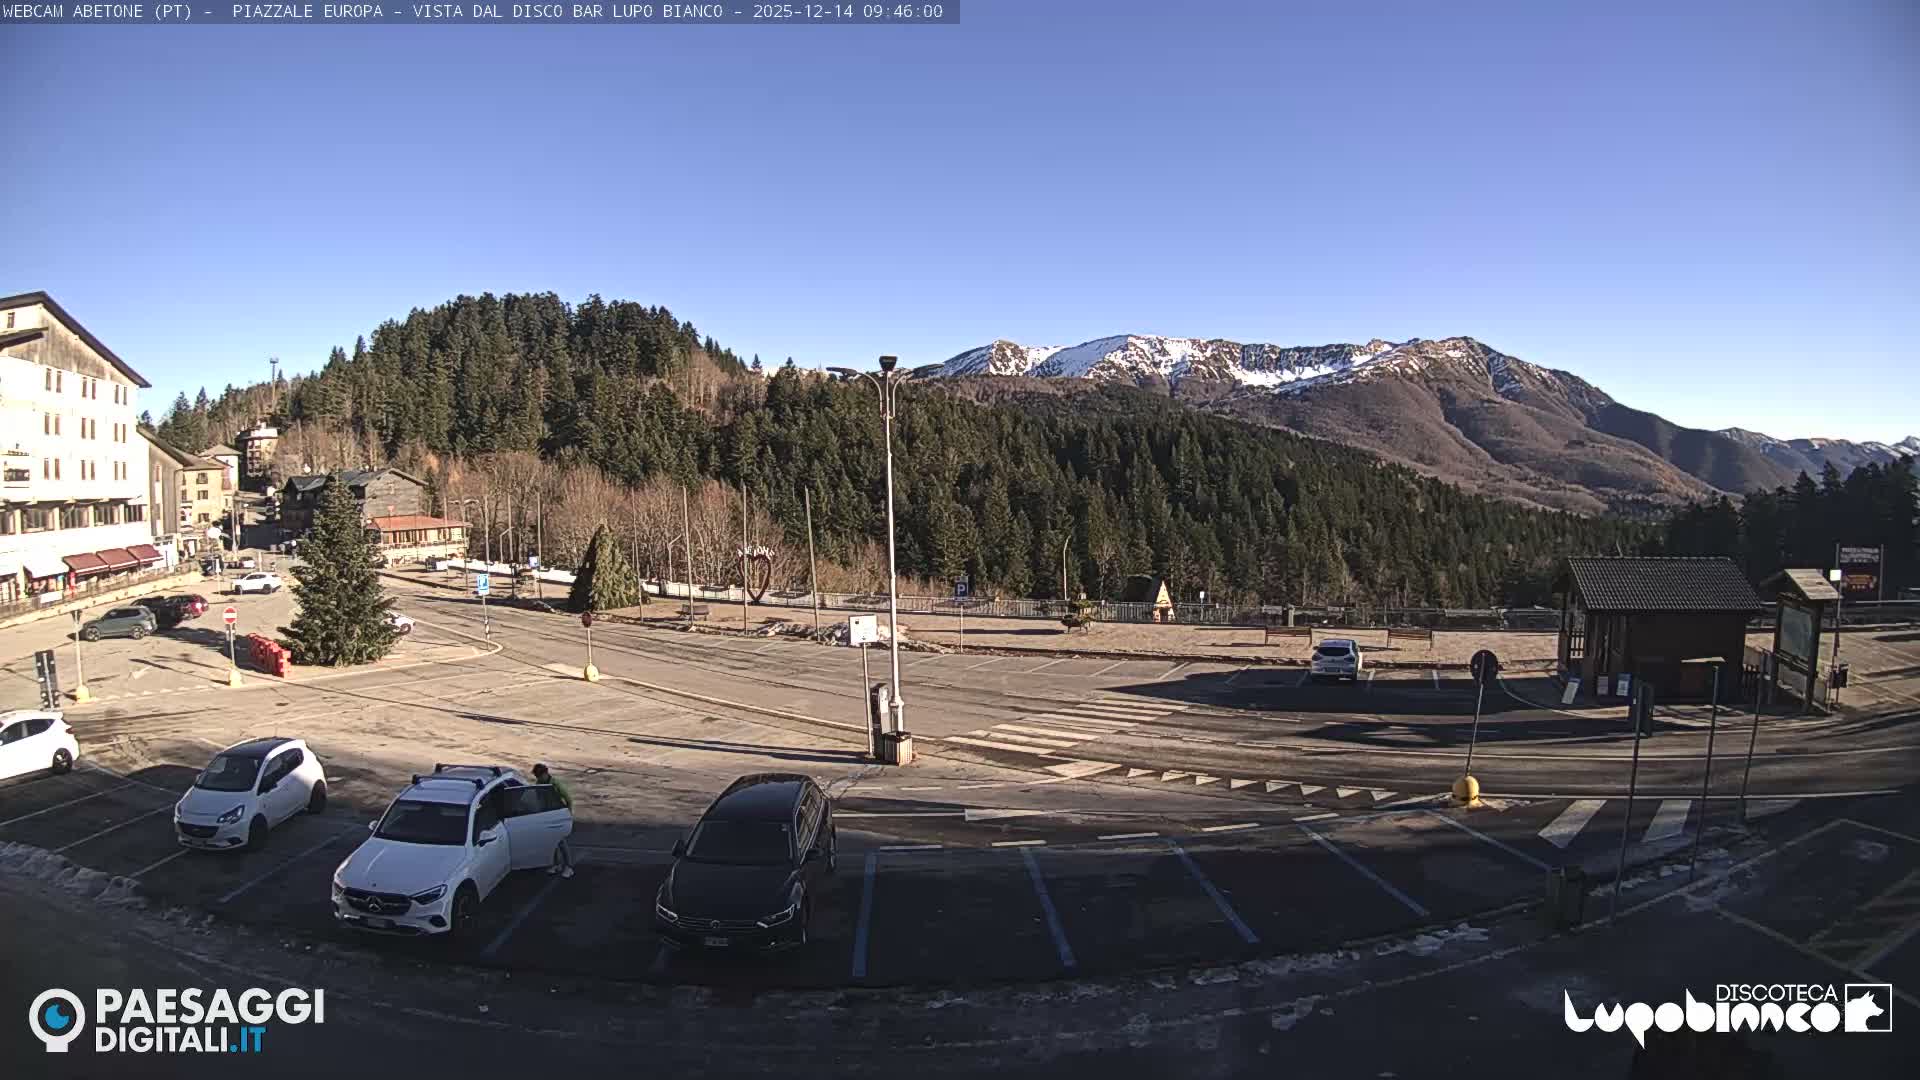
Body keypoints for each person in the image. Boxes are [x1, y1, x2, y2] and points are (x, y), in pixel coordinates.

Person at [531, 763, 574, 878]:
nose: (538, 778)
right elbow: (539, 800)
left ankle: (568, 866)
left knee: (560, 841)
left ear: (545, 773)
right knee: (551, 841)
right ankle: (556, 864)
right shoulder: (539, 784)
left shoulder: (555, 784)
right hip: (548, 814)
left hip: (559, 814)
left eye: (539, 776)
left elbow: (568, 799)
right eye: (537, 776)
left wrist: (568, 814)